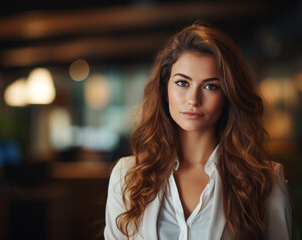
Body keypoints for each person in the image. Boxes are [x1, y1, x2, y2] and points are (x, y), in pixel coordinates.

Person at [104, 21, 291, 240]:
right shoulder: (127, 176)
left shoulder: (265, 180)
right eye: (182, 83)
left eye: (210, 86)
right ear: (165, 89)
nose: (193, 100)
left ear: (228, 95)